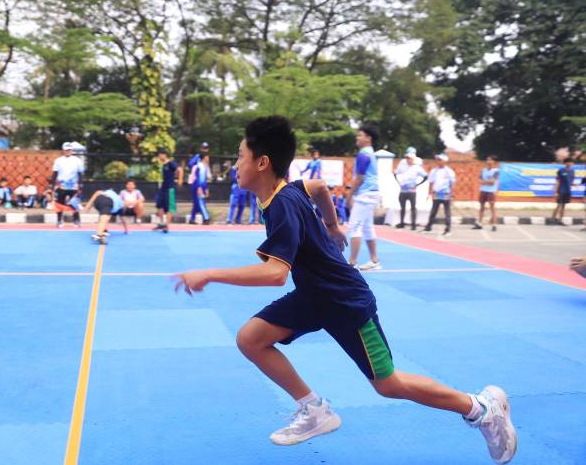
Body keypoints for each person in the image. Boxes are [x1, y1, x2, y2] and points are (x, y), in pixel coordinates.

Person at [172, 116, 517, 463]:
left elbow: (276, 273)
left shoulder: (282, 205)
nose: (235, 165)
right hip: (314, 296)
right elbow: (320, 187)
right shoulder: (288, 190)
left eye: (240, 157)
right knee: (251, 338)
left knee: (388, 384)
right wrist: (332, 225)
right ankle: (314, 410)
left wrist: (209, 274)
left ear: (262, 163)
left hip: (344, 301)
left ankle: (480, 408)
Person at [346, 125, 381, 270]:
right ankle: (374, 260)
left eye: (360, 135)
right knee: (367, 227)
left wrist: (349, 196)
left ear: (368, 138)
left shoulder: (363, 154)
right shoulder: (370, 153)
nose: (357, 137)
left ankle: (352, 263)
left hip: (365, 195)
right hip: (372, 193)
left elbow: (360, 178)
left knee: (355, 227)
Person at [393, 147, 427, 230]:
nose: (408, 160)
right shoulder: (402, 165)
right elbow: (395, 173)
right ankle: (402, 223)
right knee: (402, 207)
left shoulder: (417, 167)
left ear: (413, 159)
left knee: (413, 208)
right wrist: (399, 182)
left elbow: (425, 176)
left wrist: (417, 184)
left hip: (412, 191)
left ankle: (413, 224)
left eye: (410, 158)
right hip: (403, 190)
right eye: (407, 158)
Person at [52, 142, 85, 227]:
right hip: (61, 185)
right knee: (59, 203)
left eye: (70, 150)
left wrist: (81, 184)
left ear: (72, 150)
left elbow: (80, 173)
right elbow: (55, 173)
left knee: (74, 203)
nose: (68, 151)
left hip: (73, 185)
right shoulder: (58, 160)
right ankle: (59, 220)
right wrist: (52, 184)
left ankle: (76, 220)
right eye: (66, 150)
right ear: (63, 150)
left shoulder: (77, 160)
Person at [424, 154, 456, 236]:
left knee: (447, 213)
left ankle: (448, 230)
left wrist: (452, 195)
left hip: (445, 194)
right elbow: (431, 182)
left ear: (445, 161)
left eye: (440, 160)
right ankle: (428, 227)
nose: (438, 161)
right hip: (436, 194)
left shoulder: (449, 171)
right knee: (433, 211)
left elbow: (452, 184)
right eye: (437, 160)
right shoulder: (434, 171)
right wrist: (429, 193)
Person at [152, 149, 183, 233]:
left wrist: (180, 180)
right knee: (159, 205)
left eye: (160, 155)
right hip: (163, 188)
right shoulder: (163, 165)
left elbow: (180, 170)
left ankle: (167, 225)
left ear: (164, 155)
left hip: (170, 188)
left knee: (170, 207)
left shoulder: (171, 163)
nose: (159, 157)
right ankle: (161, 223)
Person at [475, 156, 500, 231]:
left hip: (491, 191)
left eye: (491, 160)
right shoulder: (483, 170)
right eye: (487, 160)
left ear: (494, 162)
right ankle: (479, 223)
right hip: (483, 190)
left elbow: (492, 182)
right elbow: (479, 180)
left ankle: (494, 225)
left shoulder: (496, 171)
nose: (489, 161)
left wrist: (484, 182)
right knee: (482, 207)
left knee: (492, 208)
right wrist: (486, 182)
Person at [189, 153, 211, 225]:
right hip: (197, 186)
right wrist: (199, 187)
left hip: (201, 186)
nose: (208, 159)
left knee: (196, 203)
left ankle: (192, 219)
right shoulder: (199, 166)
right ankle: (206, 218)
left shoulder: (204, 166)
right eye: (207, 157)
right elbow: (198, 177)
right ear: (204, 158)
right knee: (201, 202)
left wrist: (206, 188)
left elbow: (204, 179)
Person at [552, 158, 575, 225]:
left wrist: (574, 184)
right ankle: (552, 219)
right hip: (561, 190)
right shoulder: (561, 170)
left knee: (564, 206)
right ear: (565, 163)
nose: (569, 163)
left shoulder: (572, 171)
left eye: (571, 162)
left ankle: (560, 220)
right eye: (568, 162)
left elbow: (571, 181)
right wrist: (555, 192)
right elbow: (558, 181)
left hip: (568, 191)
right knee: (559, 205)